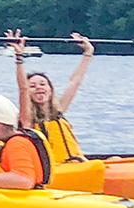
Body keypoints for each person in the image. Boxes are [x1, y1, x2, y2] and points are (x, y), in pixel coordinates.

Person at [9, 29, 93, 164]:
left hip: (79, 164)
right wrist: (19, 57)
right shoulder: (27, 118)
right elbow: (22, 89)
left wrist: (88, 52)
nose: (38, 88)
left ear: (50, 90)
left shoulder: (59, 109)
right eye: (33, 86)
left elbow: (75, 82)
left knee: (115, 159)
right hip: (56, 171)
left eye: (43, 84)